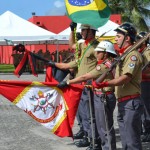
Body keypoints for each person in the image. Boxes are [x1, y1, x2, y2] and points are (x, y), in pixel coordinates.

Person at [57, 40, 117, 150]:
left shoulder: (103, 66)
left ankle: (108, 148)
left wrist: (68, 82)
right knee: (102, 126)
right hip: (104, 96)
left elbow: (85, 77)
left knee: (105, 127)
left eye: (99, 52)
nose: (97, 53)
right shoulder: (109, 63)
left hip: (104, 96)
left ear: (106, 53)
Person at [48, 22, 100, 148]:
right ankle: (88, 136)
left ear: (91, 31)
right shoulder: (84, 45)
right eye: (81, 30)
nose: (81, 33)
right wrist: (72, 30)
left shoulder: (97, 46)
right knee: (84, 113)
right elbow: (72, 45)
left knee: (90, 115)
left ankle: (95, 141)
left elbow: (100, 66)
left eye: (83, 30)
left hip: (89, 84)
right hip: (80, 83)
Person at [93, 22, 144, 150]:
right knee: (126, 142)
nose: (115, 39)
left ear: (127, 38)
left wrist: (104, 83)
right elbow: (118, 76)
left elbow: (126, 78)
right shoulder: (123, 55)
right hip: (123, 102)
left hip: (131, 102)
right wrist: (112, 68)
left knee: (132, 142)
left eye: (118, 36)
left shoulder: (132, 56)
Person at [136, 31, 150, 142]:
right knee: (143, 109)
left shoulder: (147, 52)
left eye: (138, 40)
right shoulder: (140, 52)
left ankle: (148, 132)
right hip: (142, 82)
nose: (136, 42)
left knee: (146, 109)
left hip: (146, 82)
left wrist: (139, 74)